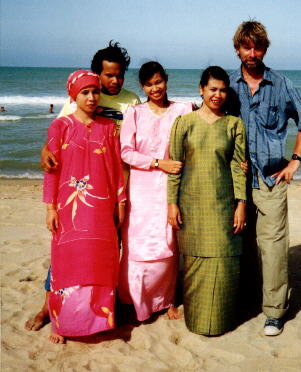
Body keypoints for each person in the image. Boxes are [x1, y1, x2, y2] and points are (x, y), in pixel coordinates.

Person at [25, 41, 140, 332]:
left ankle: (104, 307)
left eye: (119, 75)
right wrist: (43, 151)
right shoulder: (83, 95)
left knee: (112, 248)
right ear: (96, 76)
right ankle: (47, 308)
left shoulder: (132, 102)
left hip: (121, 183)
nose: (114, 81)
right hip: (86, 187)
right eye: (108, 76)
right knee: (69, 249)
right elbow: (60, 136)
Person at [229, 20, 301, 336]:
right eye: (246, 46)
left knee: (274, 246)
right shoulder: (227, 85)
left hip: (270, 179)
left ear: (265, 48)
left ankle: (275, 311)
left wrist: (295, 162)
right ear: (237, 47)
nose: (252, 53)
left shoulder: (281, 84)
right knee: (242, 244)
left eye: (258, 46)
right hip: (236, 181)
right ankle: (249, 297)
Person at [44, 70, 126, 343]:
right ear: (73, 96)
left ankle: (98, 321)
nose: (91, 98)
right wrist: (50, 208)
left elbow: (115, 167)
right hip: (70, 206)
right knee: (67, 260)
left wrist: (121, 201)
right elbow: (51, 171)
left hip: (101, 204)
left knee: (99, 261)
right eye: (85, 93)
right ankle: (63, 323)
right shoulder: (60, 126)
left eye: (95, 92)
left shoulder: (107, 127)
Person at [168, 66, 247, 336]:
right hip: (191, 206)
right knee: (193, 264)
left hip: (224, 205)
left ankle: (223, 321)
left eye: (223, 90)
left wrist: (241, 204)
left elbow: (238, 167)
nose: (218, 95)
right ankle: (197, 319)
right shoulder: (184, 123)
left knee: (224, 262)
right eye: (213, 89)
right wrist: (172, 203)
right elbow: (175, 166)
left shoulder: (234, 124)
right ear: (201, 89)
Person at [118, 61, 192, 321]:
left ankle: (167, 300)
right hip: (140, 189)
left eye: (158, 82)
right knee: (137, 247)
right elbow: (126, 152)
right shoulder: (134, 113)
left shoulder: (183, 110)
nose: (155, 88)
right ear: (141, 86)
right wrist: (158, 163)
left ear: (166, 79)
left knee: (167, 244)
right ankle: (135, 301)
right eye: (149, 84)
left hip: (171, 189)